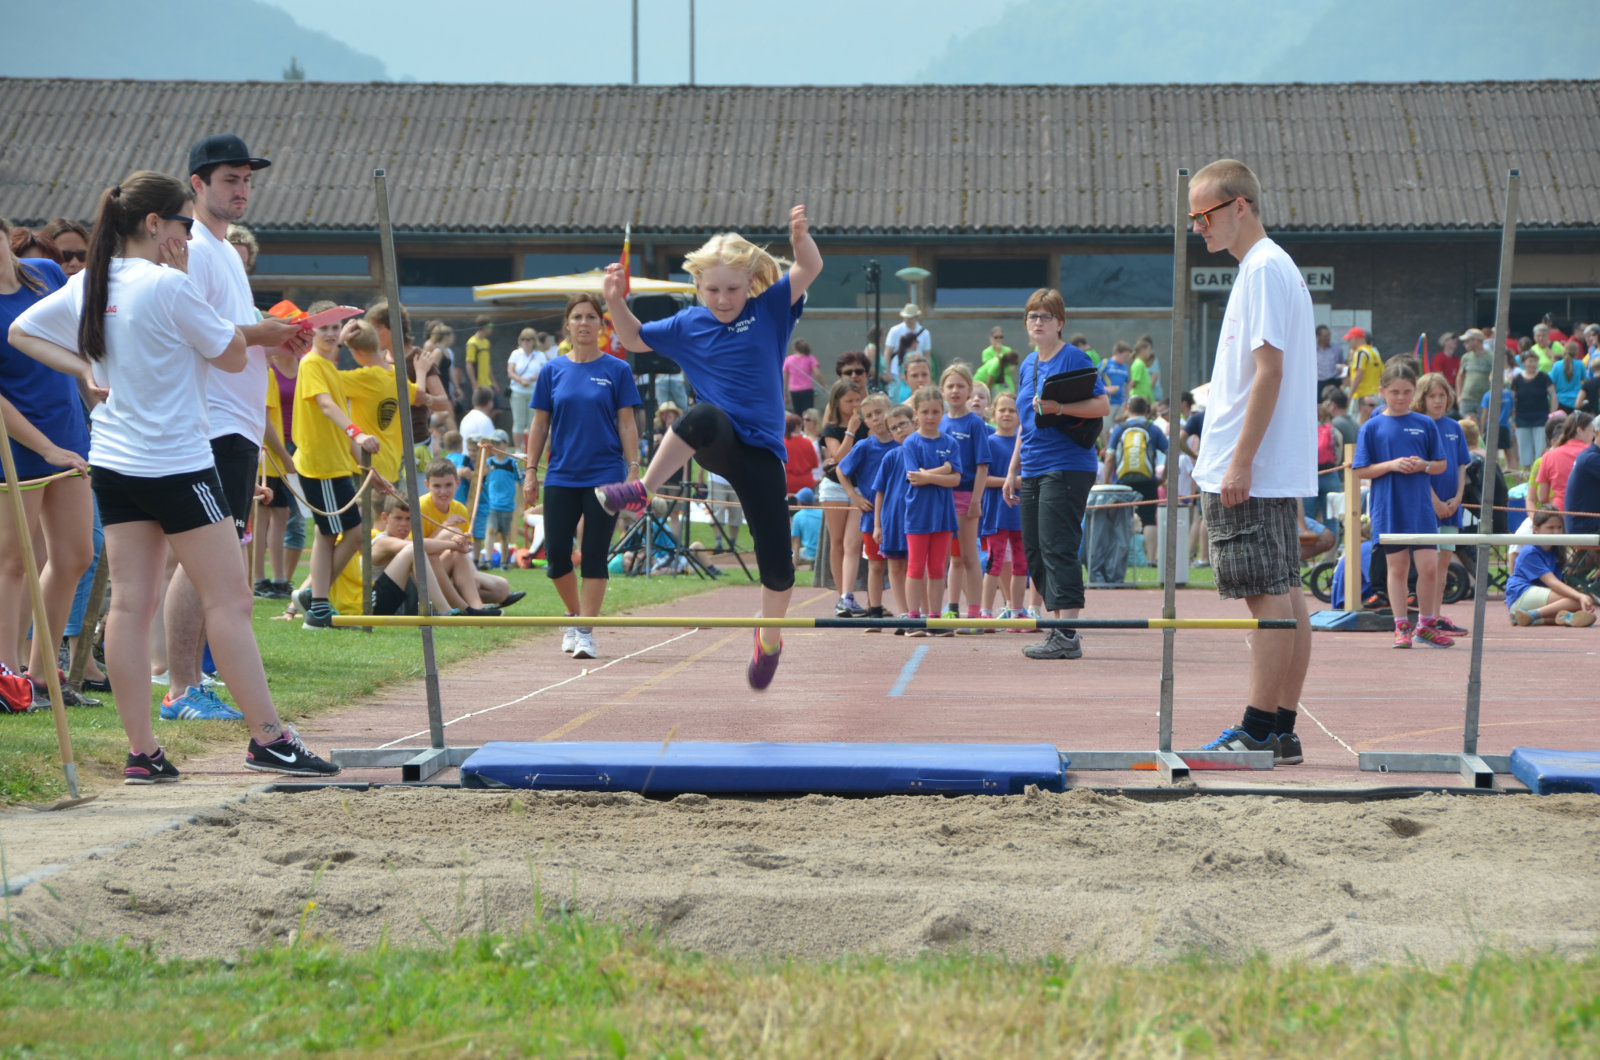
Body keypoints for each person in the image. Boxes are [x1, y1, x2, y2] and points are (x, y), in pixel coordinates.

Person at [9, 170, 339, 779]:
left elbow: (21, 331)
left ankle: (143, 751)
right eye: (184, 224)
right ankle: (268, 737)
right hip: (176, 462)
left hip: (114, 461)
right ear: (155, 224)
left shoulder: (92, 282)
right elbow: (233, 354)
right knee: (231, 599)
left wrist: (83, 370)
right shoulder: (167, 284)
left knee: (132, 603)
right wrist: (252, 328)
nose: (189, 236)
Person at [593, 205, 820, 689]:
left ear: (751, 283)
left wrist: (800, 237)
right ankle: (641, 489)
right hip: (718, 440)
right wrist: (614, 299)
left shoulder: (769, 309)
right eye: (712, 290)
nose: (722, 299)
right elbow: (631, 338)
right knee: (700, 413)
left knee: (779, 572)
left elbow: (810, 268)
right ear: (698, 286)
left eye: (733, 289)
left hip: (762, 454)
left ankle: (769, 639)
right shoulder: (687, 325)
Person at [161, 134, 305, 719]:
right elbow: (194, 330)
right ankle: (180, 686)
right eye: (229, 180)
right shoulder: (194, 248)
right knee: (205, 560)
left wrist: (273, 333)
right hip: (213, 420)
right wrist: (263, 334)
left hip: (236, 422)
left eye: (247, 180)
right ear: (197, 184)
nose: (241, 190)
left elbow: (232, 328)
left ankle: (188, 681)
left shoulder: (222, 251)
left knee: (214, 559)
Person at [1183, 159, 1316, 762]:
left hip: (1250, 468)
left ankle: (1260, 727)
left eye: (1204, 214)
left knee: (1267, 594)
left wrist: (1238, 462)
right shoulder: (1270, 267)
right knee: (1284, 590)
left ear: (1240, 206)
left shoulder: (1262, 269)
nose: (1197, 227)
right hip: (1264, 463)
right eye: (1192, 218)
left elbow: (1269, 373)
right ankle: (1280, 727)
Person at [0, 217, 97, 709]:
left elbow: (73, 338)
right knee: (14, 560)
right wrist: (44, 448)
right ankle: (6, 677)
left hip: (68, 433)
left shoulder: (44, 273)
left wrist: (91, 388)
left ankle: (41, 674)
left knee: (77, 554)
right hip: (15, 446)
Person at [523, 292, 640, 661]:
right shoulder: (552, 371)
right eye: (578, 317)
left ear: (601, 326)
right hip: (561, 474)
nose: (585, 323)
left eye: (592, 317)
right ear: (568, 325)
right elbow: (539, 424)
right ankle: (575, 616)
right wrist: (530, 472)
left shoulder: (617, 370)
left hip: (606, 475)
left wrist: (634, 468)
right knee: (556, 554)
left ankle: (586, 631)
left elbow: (627, 422)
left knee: (594, 553)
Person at [1003, 289, 1108, 661]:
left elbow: (1102, 404)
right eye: (1032, 316)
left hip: (1066, 464)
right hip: (1031, 465)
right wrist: (1013, 468)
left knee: (1057, 544)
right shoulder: (1028, 363)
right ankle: (1057, 629)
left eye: (1045, 317)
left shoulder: (1073, 357)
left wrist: (1060, 406)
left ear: (1060, 323)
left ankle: (1066, 632)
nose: (1038, 322)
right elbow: (1024, 422)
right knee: (1034, 547)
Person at [292, 304, 385, 631]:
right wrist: (358, 433)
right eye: (324, 329)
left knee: (332, 533)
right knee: (340, 532)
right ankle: (316, 603)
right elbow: (327, 406)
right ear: (311, 333)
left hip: (335, 465)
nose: (331, 334)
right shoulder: (312, 364)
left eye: (335, 328)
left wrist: (369, 470)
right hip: (320, 466)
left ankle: (313, 599)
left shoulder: (329, 365)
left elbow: (336, 418)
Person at [1355, 361, 1449, 647]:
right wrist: (1392, 465)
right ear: (1382, 391)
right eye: (1395, 392)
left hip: (1420, 508)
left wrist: (1423, 465)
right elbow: (1360, 470)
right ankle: (1400, 627)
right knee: (1397, 568)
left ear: (1414, 391)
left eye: (1407, 392)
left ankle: (1426, 624)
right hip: (1389, 506)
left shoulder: (1425, 424)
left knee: (1429, 567)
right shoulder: (1371, 427)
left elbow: (1441, 465)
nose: (1400, 397)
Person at [896, 386, 962, 635]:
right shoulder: (911, 442)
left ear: (943, 412)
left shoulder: (950, 443)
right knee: (915, 566)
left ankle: (935, 617)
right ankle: (914, 618)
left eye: (936, 411)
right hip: (917, 514)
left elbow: (957, 480)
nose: (931, 416)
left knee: (937, 568)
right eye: (925, 412)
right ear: (916, 414)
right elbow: (914, 477)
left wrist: (932, 475)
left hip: (943, 515)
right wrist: (944, 470)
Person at [1415, 372, 1473, 636]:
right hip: (1428, 508)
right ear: (1422, 398)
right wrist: (1435, 501)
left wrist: (1459, 496)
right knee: (1429, 565)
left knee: (1444, 564)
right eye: (1432, 396)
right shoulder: (1419, 425)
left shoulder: (1454, 427)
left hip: (1452, 508)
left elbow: (1461, 465)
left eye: (1442, 395)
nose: (1438, 401)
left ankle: (1435, 617)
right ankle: (1424, 618)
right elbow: (1419, 471)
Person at [938, 363, 989, 629]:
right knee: (948, 557)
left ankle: (976, 614)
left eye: (961, 386)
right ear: (942, 390)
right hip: (939, 498)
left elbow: (982, 465)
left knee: (970, 556)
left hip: (965, 495)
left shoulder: (975, 423)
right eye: (950, 386)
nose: (955, 391)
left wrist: (976, 500)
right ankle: (949, 608)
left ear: (970, 389)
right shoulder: (939, 421)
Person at [836, 392, 896, 622]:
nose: (876, 419)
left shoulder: (902, 441)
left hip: (900, 515)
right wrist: (854, 495)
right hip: (873, 516)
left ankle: (908, 612)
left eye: (879, 412)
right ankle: (875, 611)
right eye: (870, 416)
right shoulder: (864, 446)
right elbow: (841, 469)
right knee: (876, 565)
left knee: (900, 567)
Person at [817, 377, 865, 616]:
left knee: (853, 544)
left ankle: (848, 595)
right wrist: (851, 431)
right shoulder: (831, 429)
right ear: (837, 402)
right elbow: (838, 458)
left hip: (859, 489)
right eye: (849, 401)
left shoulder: (866, 425)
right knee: (836, 543)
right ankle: (841, 597)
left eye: (858, 400)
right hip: (834, 487)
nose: (855, 405)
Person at [1104, 395, 1168, 569]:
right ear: (1146, 410)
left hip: (1123, 480)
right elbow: (1170, 451)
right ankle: (1151, 559)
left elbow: (1109, 458)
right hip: (1147, 479)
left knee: (1120, 519)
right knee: (1148, 519)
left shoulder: (1119, 429)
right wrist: (1164, 476)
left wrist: (1106, 483)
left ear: (1127, 409)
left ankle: (1120, 558)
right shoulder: (1153, 429)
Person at [1506, 507, 1596, 626]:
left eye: (1559, 527)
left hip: (1540, 595)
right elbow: (1552, 582)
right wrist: (1579, 596)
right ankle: (1534, 614)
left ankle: (1536, 618)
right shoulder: (1530, 551)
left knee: (1584, 602)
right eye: (1550, 528)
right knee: (1579, 600)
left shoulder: (1555, 550)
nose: (1556, 532)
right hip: (1520, 595)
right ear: (1535, 529)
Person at [981, 391, 1025, 625]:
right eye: (1003, 410)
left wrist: (1019, 482)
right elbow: (983, 479)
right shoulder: (989, 442)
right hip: (996, 513)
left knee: (1021, 562)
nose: (1007, 414)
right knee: (994, 561)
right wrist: (1011, 482)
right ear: (993, 413)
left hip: (1020, 513)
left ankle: (1017, 610)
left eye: (1013, 410)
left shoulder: (1025, 443)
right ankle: (986, 611)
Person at [871, 404, 915, 628]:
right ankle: (904, 613)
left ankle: (918, 611)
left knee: (915, 566)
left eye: (903, 424)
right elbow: (879, 493)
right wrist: (877, 525)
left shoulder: (923, 451)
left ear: (913, 423)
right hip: (893, 520)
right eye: (894, 428)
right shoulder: (890, 456)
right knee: (895, 566)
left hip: (917, 519)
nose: (900, 430)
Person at [1533, 411, 1596, 512]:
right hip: (1590, 515)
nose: (1594, 435)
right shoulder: (1593, 454)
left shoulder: (1548, 456)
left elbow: (1542, 496)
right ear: (1579, 431)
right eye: (1592, 430)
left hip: (1559, 514)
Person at [1510, 349, 1557, 469]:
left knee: (1541, 448)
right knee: (1524, 450)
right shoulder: (1517, 379)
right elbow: (1512, 398)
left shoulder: (1544, 377)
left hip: (1541, 417)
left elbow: (1552, 395)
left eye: (1535, 361)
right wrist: (1512, 416)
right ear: (1524, 362)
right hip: (1522, 418)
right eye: (1530, 361)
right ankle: (1527, 474)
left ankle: (1540, 473)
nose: (1532, 364)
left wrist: (1552, 413)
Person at [507, 326, 547, 450]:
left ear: (534, 341)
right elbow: (510, 371)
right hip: (518, 391)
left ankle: (531, 448)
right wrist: (520, 380)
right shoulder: (516, 353)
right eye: (523, 339)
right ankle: (518, 449)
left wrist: (530, 379)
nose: (525, 342)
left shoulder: (539, 355)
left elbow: (543, 372)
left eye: (528, 339)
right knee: (518, 421)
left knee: (532, 423)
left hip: (534, 391)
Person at [885, 303, 932, 380]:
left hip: (917, 373)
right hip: (896, 372)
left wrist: (928, 373)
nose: (907, 320)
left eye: (910, 317)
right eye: (905, 317)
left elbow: (927, 355)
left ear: (917, 317)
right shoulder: (895, 330)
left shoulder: (925, 333)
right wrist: (887, 371)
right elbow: (888, 352)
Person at [1456, 328, 1493, 418]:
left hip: (1483, 399)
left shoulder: (1491, 357)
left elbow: (1495, 378)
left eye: (1467, 341)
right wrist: (1459, 396)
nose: (1464, 344)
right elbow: (1460, 376)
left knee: (1483, 427)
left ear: (1476, 341)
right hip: (1466, 399)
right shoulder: (1466, 357)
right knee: (1464, 427)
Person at [782, 412, 819, 496]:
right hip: (807, 483)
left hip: (789, 483)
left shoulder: (783, 443)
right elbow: (815, 463)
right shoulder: (807, 442)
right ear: (797, 426)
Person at [782, 337, 822, 413]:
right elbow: (817, 373)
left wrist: (785, 394)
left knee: (798, 412)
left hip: (794, 391)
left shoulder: (788, 360)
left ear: (794, 348)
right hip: (807, 390)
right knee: (809, 413)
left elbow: (785, 379)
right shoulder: (810, 358)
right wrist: (822, 385)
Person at [1345, 327, 1383, 404]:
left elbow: (1358, 375)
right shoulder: (1374, 352)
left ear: (1354, 338)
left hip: (1361, 397)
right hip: (1375, 395)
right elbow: (1382, 373)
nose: (1349, 343)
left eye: (1349, 340)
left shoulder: (1360, 353)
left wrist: (1349, 395)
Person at [1099, 340, 1133, 422]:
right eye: (1125, 356)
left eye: (1128, 357)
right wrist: (1107, 389)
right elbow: (1094, 382)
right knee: (1105, 429)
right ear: (1117, 353)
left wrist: (1128, 401)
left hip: (1121, 404)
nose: (1127, 359)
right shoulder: (1105, 363)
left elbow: (1127, 385)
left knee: (1118, 428)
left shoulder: (1125, 367)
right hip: (1107, 403)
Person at [458, 385, 496, 453]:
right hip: (477, 461)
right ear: (490, 403)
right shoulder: (485, 421)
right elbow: (488, 447)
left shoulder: (465, 419)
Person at [790, 486, 821, 568]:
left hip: (808, 553)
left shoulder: (798, 516)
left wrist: (794, 566)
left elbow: (796, 542)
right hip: (823, 553)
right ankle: (814, 565)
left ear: (800, 501)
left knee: (785, 556)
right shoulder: (822, 512)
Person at [1552, 339, 1585, 413]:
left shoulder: (1556, 365)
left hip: (1560, 401)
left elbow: (1552, 383)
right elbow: (1584, 381)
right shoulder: (1580, 364)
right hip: (1576, 401)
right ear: (1577, 352)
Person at [1313, 324, 1345, 397]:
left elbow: (1342, 364)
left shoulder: (1336, 349)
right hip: (1319, 382)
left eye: (1329, 335)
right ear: (1318, 336)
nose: (1327, 338)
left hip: (1334, 381)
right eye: (1325, 336)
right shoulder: (1312, 350)